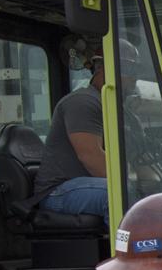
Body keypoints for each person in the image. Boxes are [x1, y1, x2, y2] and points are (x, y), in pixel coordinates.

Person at [34, 39, 115, 222]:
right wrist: (133, 186)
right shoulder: (83, 102)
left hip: (86, 184)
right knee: (121, 197)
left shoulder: (119, 108)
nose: (135, 78)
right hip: (58, 190)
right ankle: (129, 251)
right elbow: (90, 157)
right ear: (103, 69)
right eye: (130, 71)